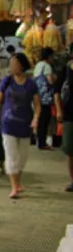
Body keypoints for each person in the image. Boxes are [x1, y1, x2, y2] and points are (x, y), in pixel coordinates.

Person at [0, 53, 41, 199]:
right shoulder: (6, 81)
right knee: (11, 155)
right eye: (11, 63)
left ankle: (18, 182)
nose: (12, 66)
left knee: (22, 157)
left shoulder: (31, 84)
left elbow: (37, 105)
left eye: (15, 63)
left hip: (25, 124)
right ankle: (14, 187)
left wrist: (36, 118)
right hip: (8, 124)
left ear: (22, 65)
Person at [32, 47, 56, 150]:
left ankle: (38, 141)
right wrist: (55, 78)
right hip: (45, 98)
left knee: (39, 119)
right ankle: (42, 143)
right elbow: (50, 81)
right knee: (44, 121)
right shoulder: (47, 66)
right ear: (49, 56)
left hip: (37, 97)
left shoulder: (38, 65)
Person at [56, 56, 73, 192]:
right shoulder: (66, 69)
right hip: (69, 114)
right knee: (69, 149)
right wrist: (59, 110)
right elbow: (56, 91)